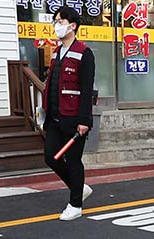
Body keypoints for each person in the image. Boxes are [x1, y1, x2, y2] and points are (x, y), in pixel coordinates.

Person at [41, 6, 95, 221]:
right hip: (54, 117)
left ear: (73, 26)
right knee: (51, 156)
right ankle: (79, 187)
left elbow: (86, 89)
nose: (57, 25)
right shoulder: (56, 52)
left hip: (74, 119)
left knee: (73, 161)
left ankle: (75, 204)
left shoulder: (84, 53)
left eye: (61, 21)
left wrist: (84, 120)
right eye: (56, 21)